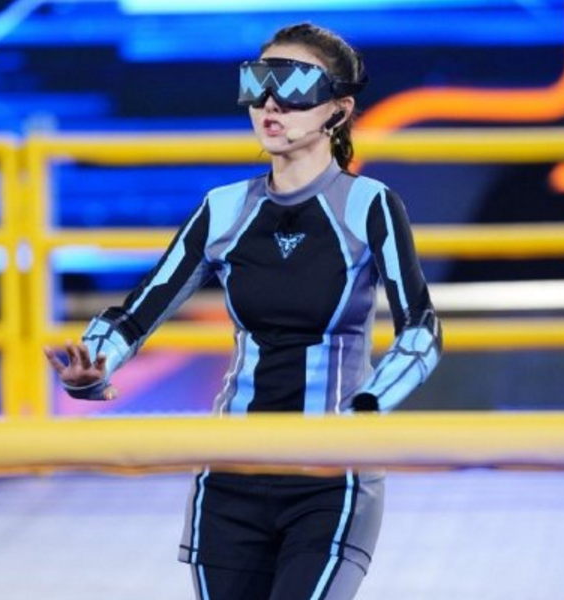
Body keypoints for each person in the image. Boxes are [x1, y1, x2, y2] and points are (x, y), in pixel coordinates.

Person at [43, 21, 442, 600]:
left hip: (331, 477)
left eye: (295, 84)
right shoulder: (223, 208)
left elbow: (421, 332)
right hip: (232, 478)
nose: (270, 102)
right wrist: (94, 366)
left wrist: (368, 405)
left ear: (339, 109)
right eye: (258, 82)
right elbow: (136, 314)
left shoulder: (370, 206)